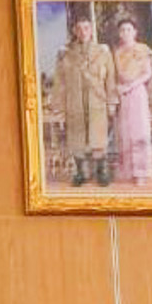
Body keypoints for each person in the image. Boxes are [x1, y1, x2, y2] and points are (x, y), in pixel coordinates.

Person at [53, 12, 117, 187]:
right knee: (77, 138)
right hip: (75, 102)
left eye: (86, 28)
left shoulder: (102, 51)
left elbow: (110, 78)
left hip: (97, 100)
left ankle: (102, 172)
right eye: (79, 28)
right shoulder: (65, 54)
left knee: (98, 137)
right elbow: (60, 81)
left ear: (91, 30)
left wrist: (112, 102)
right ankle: (81, 173)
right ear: (74, 31)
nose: (83, 32)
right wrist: (58, 107)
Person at [112, 15, 152, 186]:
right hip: (123, 94)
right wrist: (118, 88)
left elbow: (147, 73)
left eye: (128, 29)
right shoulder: (117, 53)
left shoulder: (142, 49)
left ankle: (141, 172)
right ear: (119, 33)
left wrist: (130, 86)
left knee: (140, 131)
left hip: (137, 92)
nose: (125, 32)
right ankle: (129, 170)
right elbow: (114, 75)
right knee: (125, 132)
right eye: (122, 30)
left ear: (135, 32)